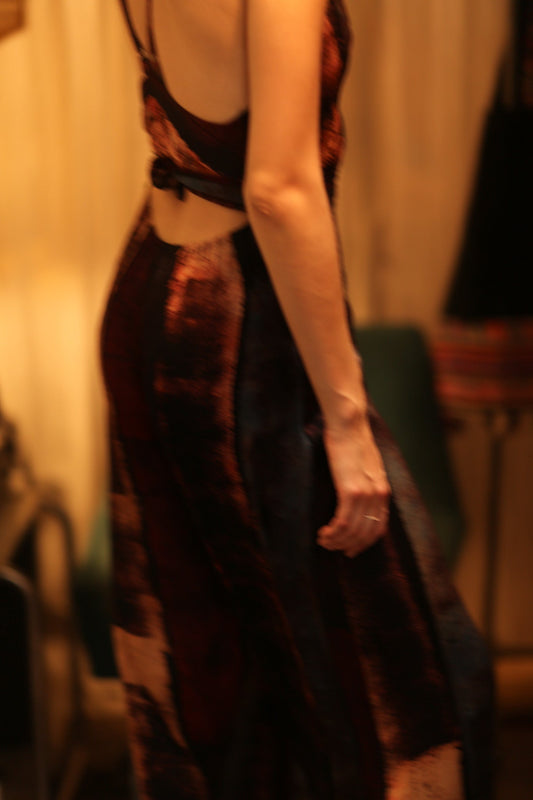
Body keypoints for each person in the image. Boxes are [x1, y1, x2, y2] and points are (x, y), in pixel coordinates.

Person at [99, 1, 493, 798]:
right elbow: (278, 188)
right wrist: (345, 419)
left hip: (152, 292)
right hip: (233, 324)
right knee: (407, 689)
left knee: (216, 656)